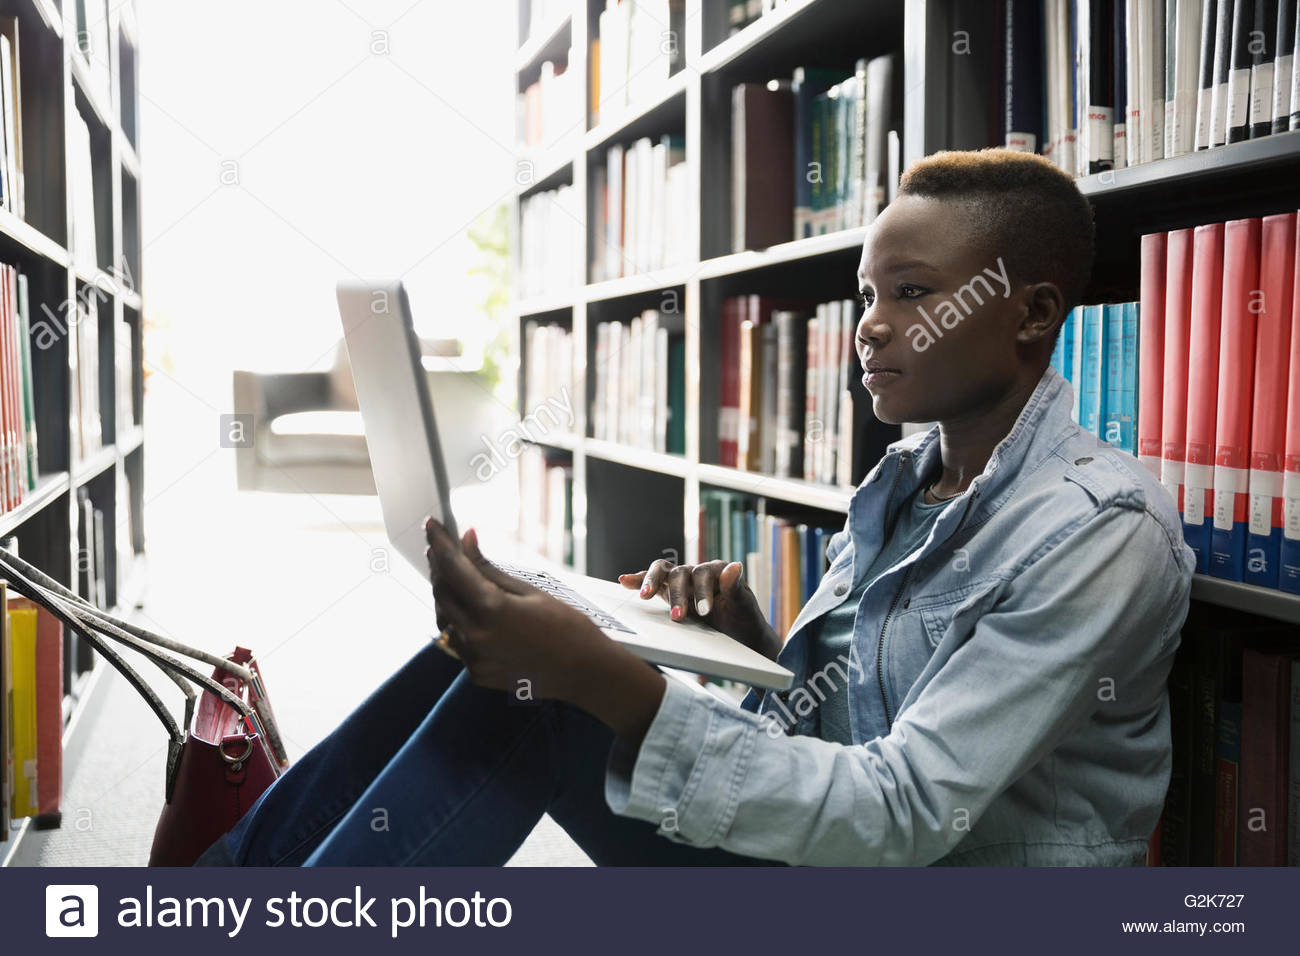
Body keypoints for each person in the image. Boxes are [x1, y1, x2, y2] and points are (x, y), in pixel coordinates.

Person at [195, 148, 1194, 867]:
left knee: (554, 693)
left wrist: (609, 679)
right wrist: (755, 649)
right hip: (840, 858)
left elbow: (902, 810)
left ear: (1028, 314)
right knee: (507, 665)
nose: (871, 326)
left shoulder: (1098, 532)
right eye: (866, 291)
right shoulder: (906, 483)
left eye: (912, 292)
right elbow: (840, 730)